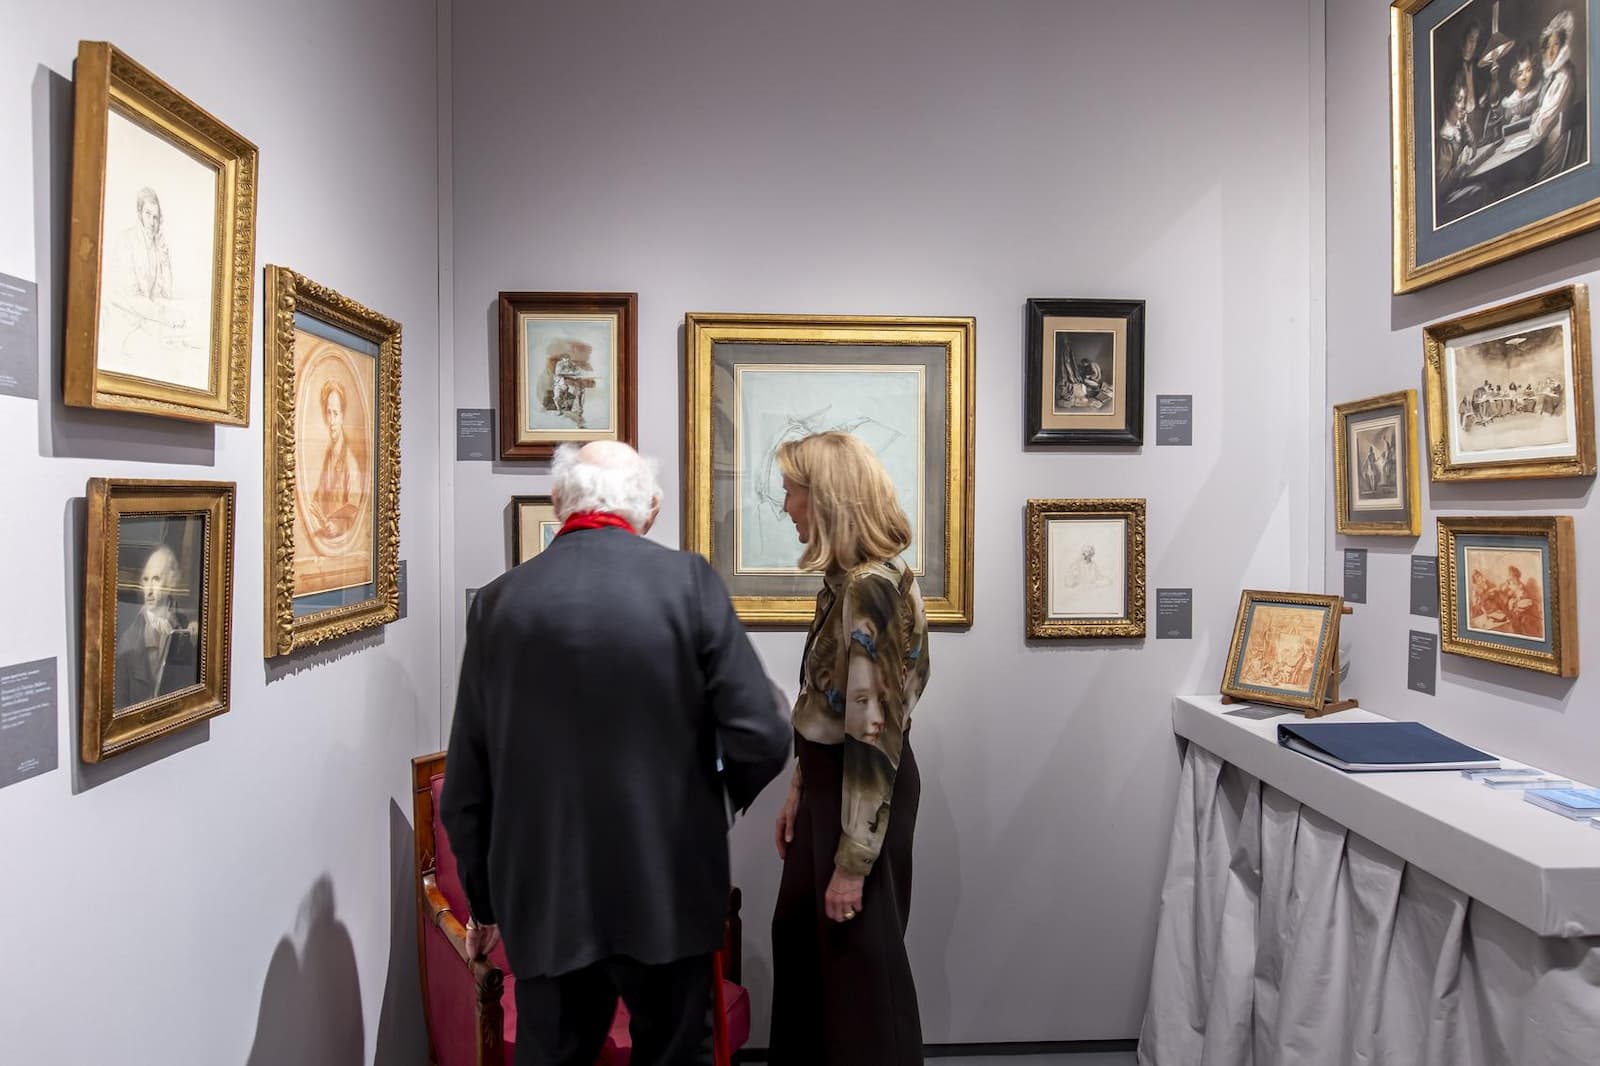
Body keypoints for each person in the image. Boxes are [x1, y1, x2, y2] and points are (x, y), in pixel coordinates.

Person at [441, 440, 791, 1066]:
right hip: (671, 888)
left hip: (547, 900)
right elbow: (763, 732)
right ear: (650, 509)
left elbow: (469, 784)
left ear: (558, 501)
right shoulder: (688, 583)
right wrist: (711, 809)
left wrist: (485, 904)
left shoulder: (497, 604)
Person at [769, 431, 931, 1066]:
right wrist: (798, 789)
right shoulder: (847, 582)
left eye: (792, 491)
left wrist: (852, 860)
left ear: (827, 499)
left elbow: (872, 726)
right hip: (829, 783)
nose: (786, 506)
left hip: (860, 789)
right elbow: (826, 699)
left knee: (861, 976)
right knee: (810, 952)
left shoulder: (871, 587)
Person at [113, 544, 198, 709]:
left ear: (172, 581)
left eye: (156, 579)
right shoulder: (128, 644)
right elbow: (118, 708)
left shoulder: (187, 625)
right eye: (146, 580)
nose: (149, 590)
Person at [309, 379, 364, 542]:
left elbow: (357, 512)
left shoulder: (350, 462)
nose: (331, 421)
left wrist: (340, 526)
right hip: (328, 541)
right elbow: (318, 500)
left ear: (343, 417)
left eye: (336, 413)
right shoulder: (329, 455)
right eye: (328, 412)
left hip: (343, 544)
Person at [1531, 11, 1578, 180]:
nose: (1551, 51)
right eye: (1547, 46)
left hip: (1557, 150)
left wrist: (1536, 119)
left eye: (1556, 45)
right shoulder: (1553, 75)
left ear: (1563, 46)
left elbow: (1540, 128)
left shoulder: (1562, 76)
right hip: (1550, 145)